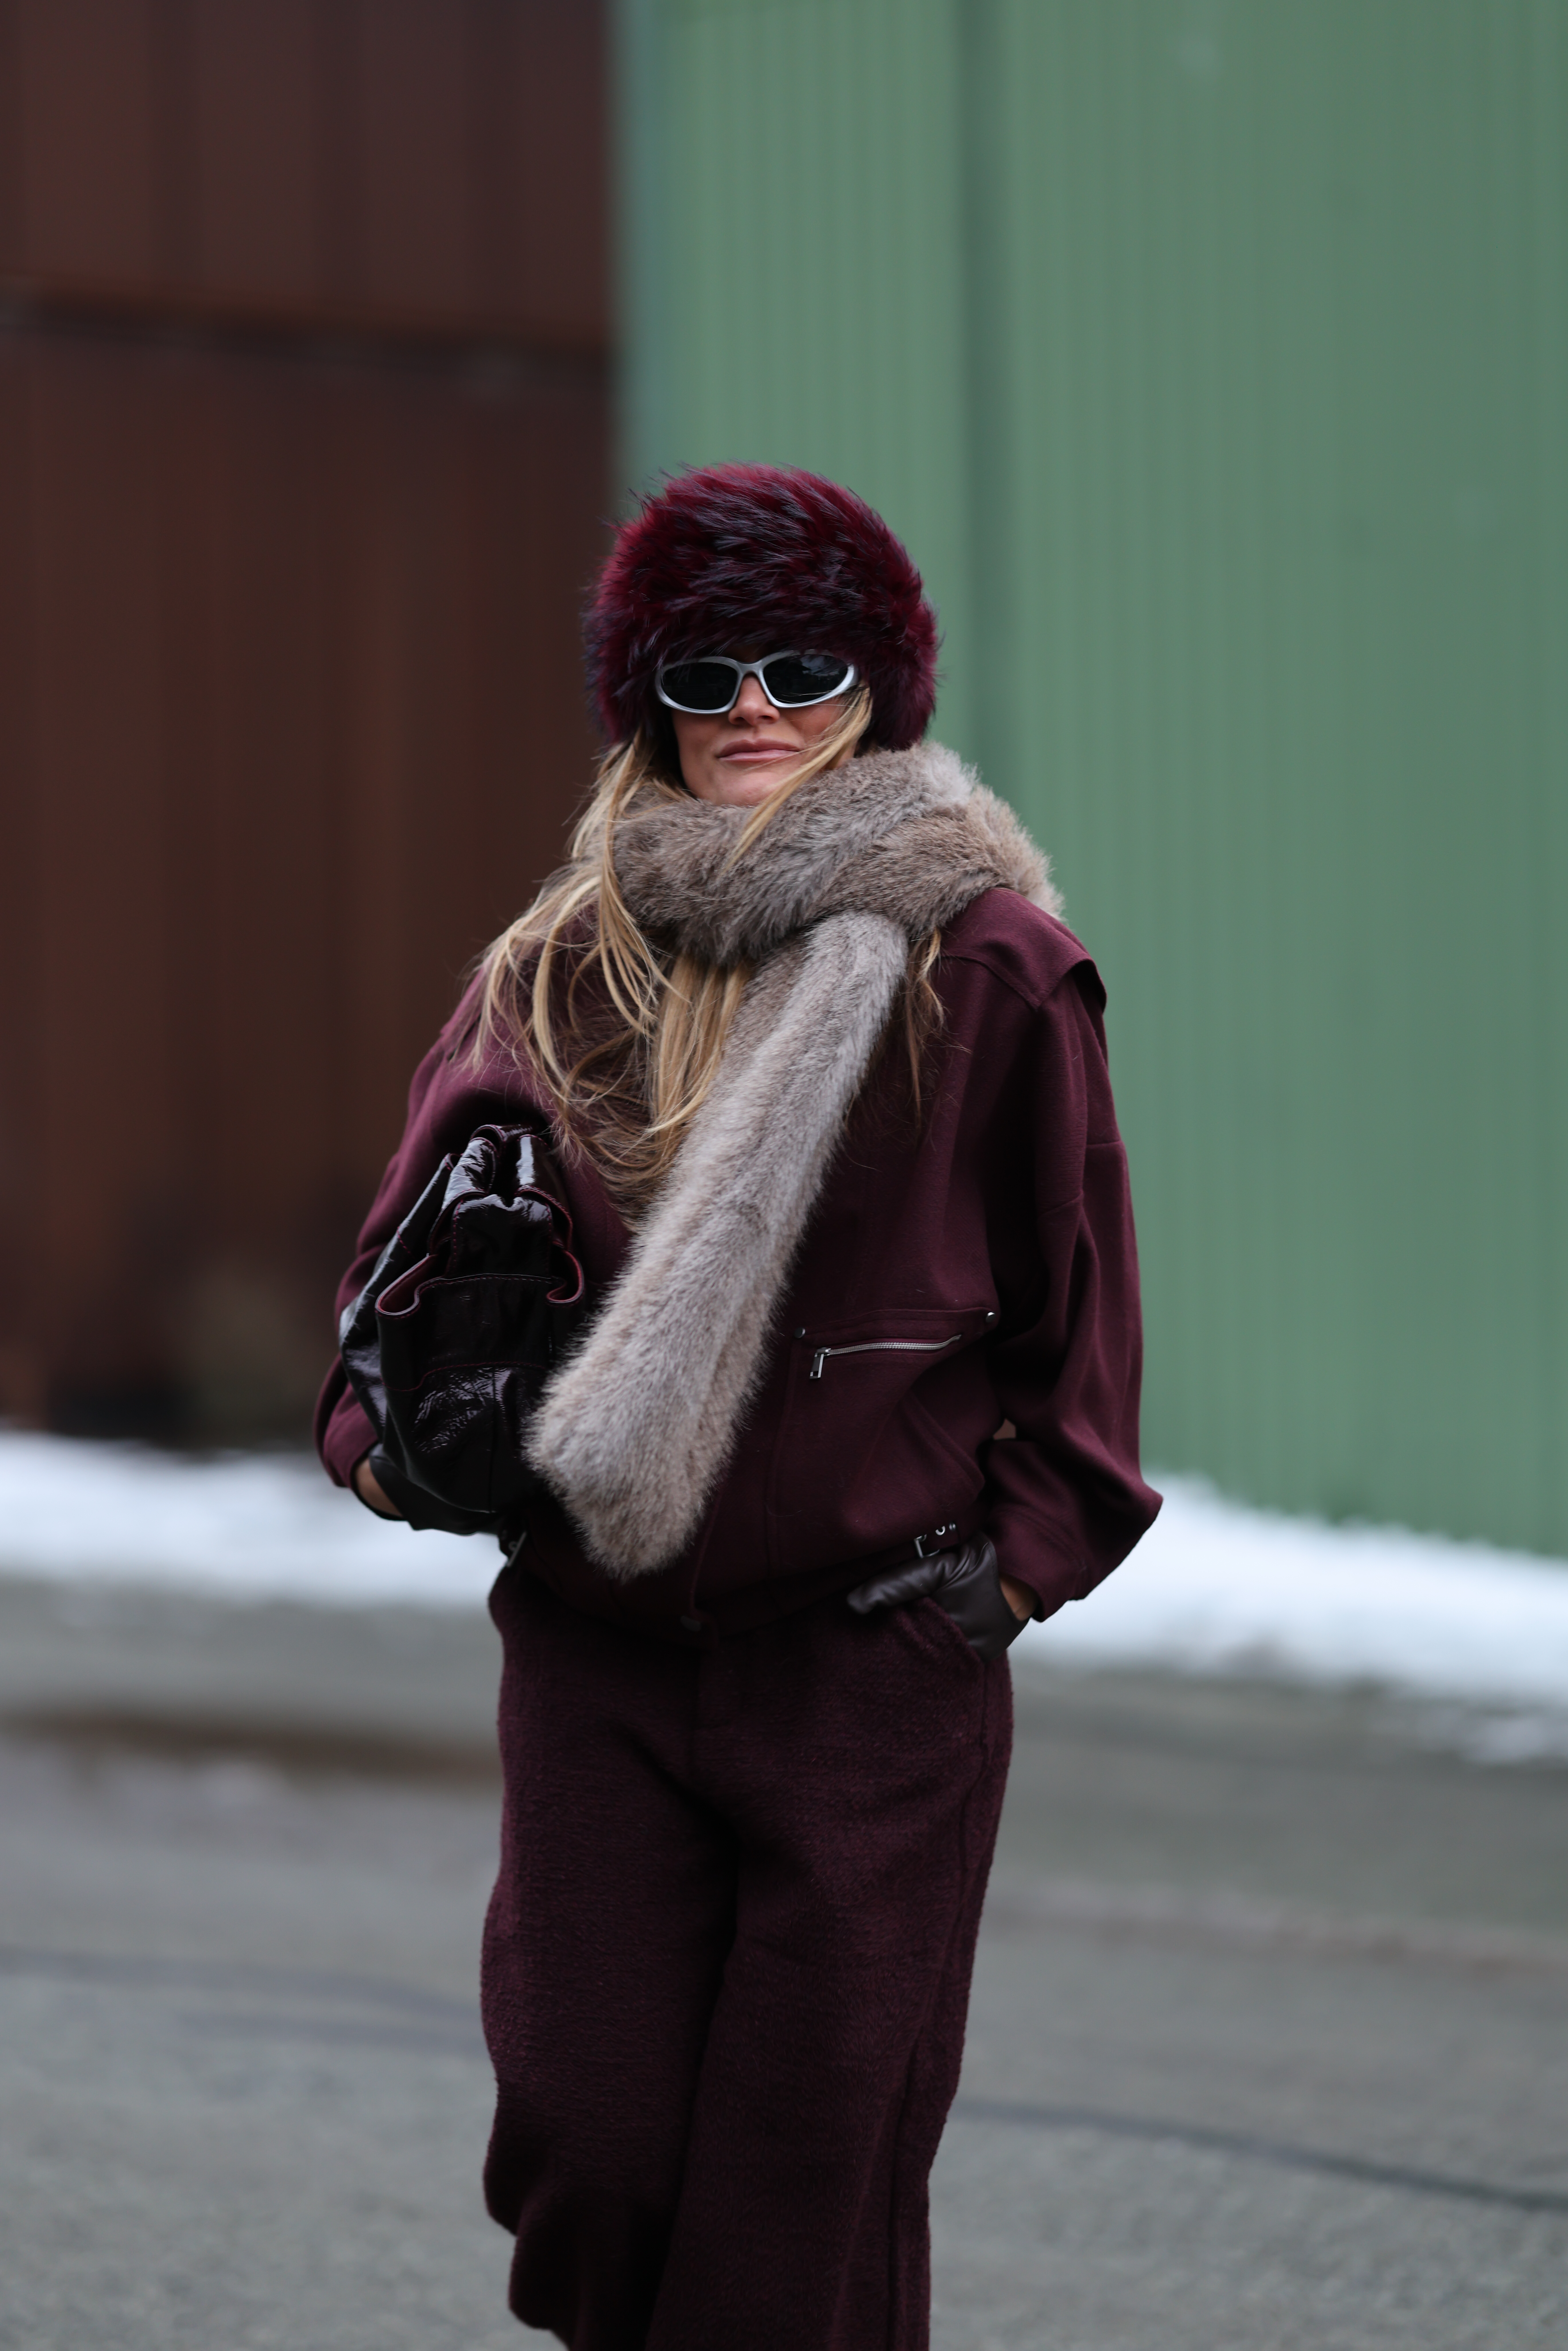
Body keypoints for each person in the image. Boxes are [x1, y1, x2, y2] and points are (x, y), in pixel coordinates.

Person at [314, 463, 1160, 2350]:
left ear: (878, 693)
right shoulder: (555, 971)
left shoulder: (991, 975)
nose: (756, 707)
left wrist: (1002, 1584)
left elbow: (1081, 1347)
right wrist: (390, 1449)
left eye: (804, 664)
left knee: (801, 2214)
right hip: (601, 1654)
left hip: (870, 1665)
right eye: (706, 674)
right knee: (592, 2155)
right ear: (649, 706)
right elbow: (390, 1295)